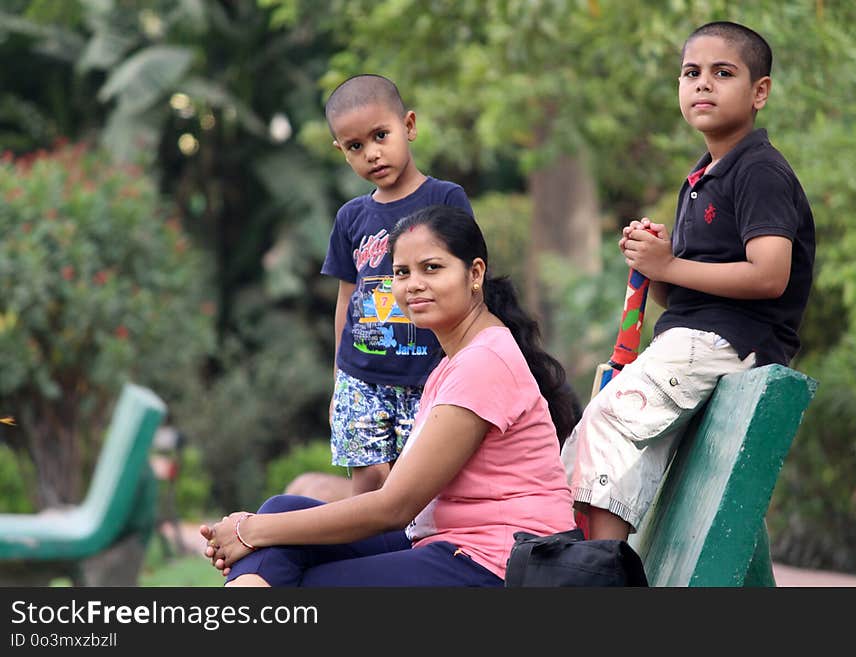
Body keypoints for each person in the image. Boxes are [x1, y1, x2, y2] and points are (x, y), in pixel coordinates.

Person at [200, 205, 578, 586]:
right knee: (284, 511)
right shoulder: (458, 358)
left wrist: (252, 530)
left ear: (474, 273)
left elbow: (394, 506)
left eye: (432, 268)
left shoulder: (484, 362)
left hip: (498, 561)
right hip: (449, 542)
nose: (413, 284)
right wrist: (260, 528)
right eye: (401, 273)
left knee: (301, 570)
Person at [560, 21, 815, 541]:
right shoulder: (701, 177)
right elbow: (679, 294)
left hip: (733, 340)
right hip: (695, 336)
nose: (703, 84)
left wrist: (670, 266)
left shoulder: (760, 171)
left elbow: (770, 275)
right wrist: (655, 263)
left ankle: (600, 569)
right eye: (691, 73)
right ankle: (596, 560)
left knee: (611, 420)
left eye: (723, 73)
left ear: (759, 91)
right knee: (588, 438)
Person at [319, 74, 474, 496]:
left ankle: (408, 560)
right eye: (355, 146)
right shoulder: (351, 217)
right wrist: (338, 381)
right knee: (367, 484)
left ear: (408, 126)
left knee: (420, 490)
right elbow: (346, 299)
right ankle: (364, 559)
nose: (372, 153)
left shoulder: (445, 199)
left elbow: (472, 284)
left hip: (427, 374)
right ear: (342, 152)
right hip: (360, 377)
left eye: (380, 135)